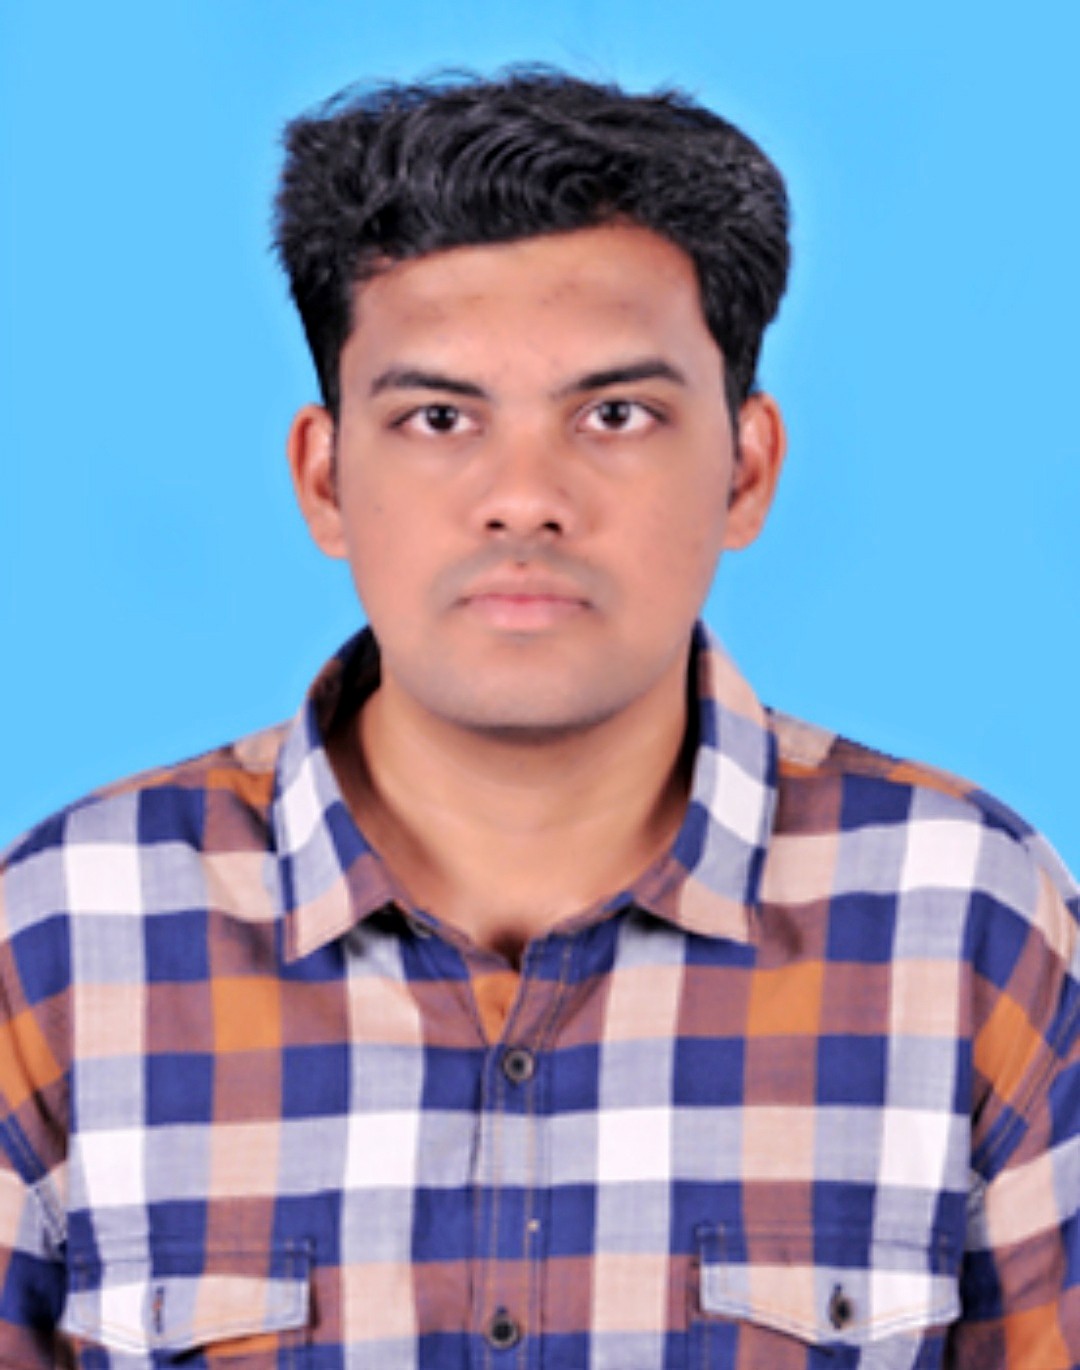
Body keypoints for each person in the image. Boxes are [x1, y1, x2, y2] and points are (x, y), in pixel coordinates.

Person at [0, 69, 1076, 1369]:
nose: (524, 497)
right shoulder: (63, 939)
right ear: (325, 478)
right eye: (439, 417)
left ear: (745, 470)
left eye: (614, 415)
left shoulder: (966, 921)